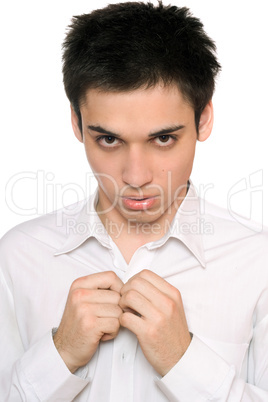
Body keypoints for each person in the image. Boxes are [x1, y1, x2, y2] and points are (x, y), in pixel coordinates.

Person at [0, 1, 267, 401]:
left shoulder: (257, 263)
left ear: (204, 119)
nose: (136, 177)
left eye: (163, 139)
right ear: (77, 123)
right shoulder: (18, 257)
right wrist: (60, 355)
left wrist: (184, 360)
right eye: (109, 139)